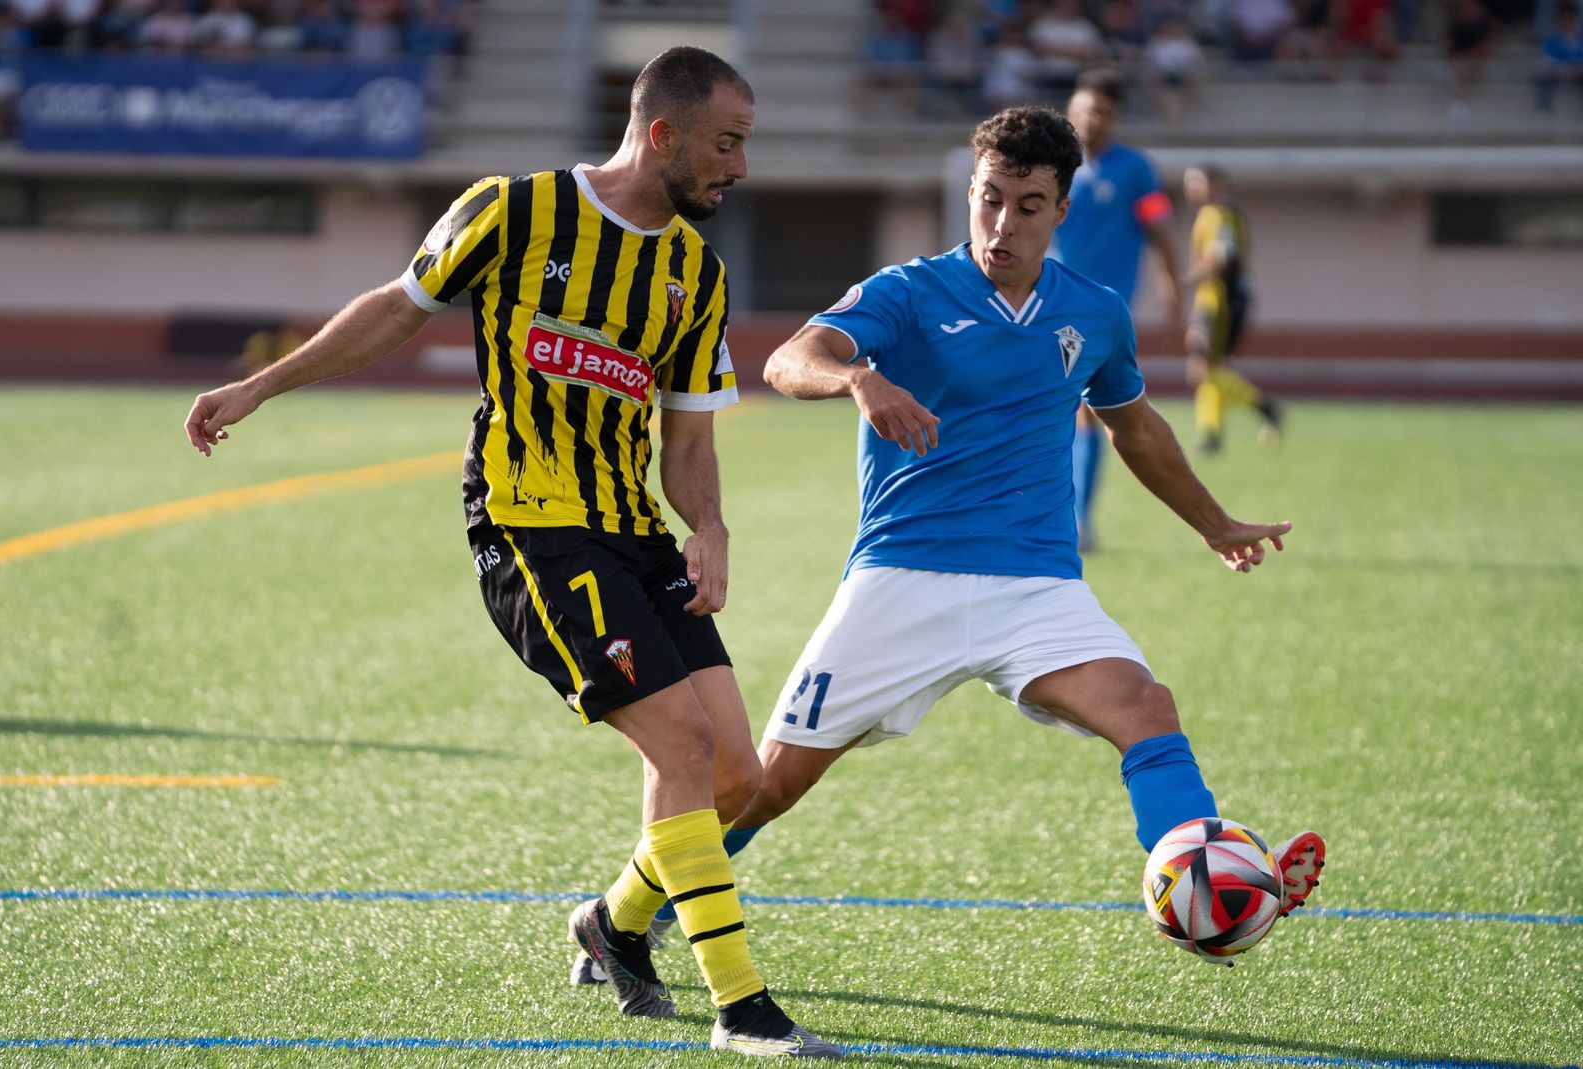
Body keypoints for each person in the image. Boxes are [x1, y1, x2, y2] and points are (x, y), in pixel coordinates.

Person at [183, 45, 840, 1060]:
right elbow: (396, 308)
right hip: (530, 522)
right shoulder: (513, 210)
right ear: (661, 133)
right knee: (681, 745)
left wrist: (708, 528)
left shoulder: (693, 274)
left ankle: (611, 924)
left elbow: (692, 438)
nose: (739, 168)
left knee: (738, 780)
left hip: (637, 531)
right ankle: (741, 1007)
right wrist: (263, 384)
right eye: (725, 143)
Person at [623, 104, 1325, 975]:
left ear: (1061, 210)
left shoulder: (1096, 314)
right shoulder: (909, 292)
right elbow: (787, 358)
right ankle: (626, 916)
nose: (1003, 224)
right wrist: (857, 378)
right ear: (970, 192)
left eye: (1028, 206)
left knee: (1147, 710)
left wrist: (1215, 524)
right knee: (763, 786)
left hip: (1036, 588)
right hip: (900, 581)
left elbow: (1135, 430)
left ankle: (1212, 882)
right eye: (990, 199)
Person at [1052, 68, 1185, 552]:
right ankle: (1061, 518)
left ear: (1116, 117)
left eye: (1104, 113)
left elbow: (1162, 233)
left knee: (1089, 409)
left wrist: (1173, 293)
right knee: (1050, 407)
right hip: (1040, 303)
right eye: (1087, 110)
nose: (1094, 121)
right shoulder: (1053, 165)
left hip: (1099, 310)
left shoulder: (1135, 170)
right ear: (1071, 110)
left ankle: (1077, 520)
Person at [1182, 164, 1280, 453]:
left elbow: (1219, 261)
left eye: (1197, 181)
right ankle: (1211, 433)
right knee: (1206, 367)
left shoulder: (1218, 215)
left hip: (1219, 300)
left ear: (1216, 184)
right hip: (1213, 299)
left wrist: (1179, 282)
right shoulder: (1211, 214)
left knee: (1204, 367)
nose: (1192, 188)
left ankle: (1264, 406)